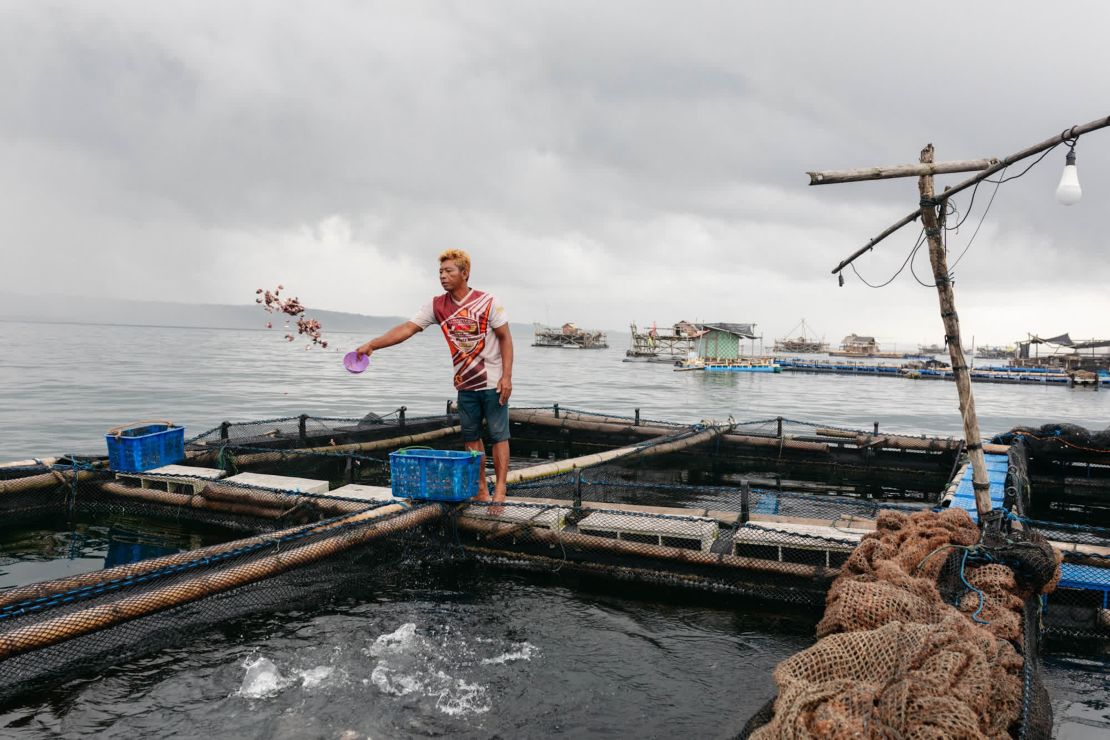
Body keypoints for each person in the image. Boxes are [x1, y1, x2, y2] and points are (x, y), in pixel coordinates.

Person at [355, 249, 514, 504]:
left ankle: (501, 489)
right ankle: (481, 488)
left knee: (498, 435)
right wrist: (373, 345)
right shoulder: (437, 305)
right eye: (440, 272)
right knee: (471, 439)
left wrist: (506, 377)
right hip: (465, 383)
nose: (443, 276)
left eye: (449, 271)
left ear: (465, 273)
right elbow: (408, 328)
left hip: (493, 382)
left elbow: (506, 339)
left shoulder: (487, 301)